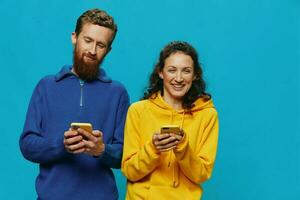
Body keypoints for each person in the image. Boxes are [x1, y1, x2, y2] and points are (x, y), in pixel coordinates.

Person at [19, 8, 129, 200]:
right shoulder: (46, 86)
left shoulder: (118, 93)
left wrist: (102, 150)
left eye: (101, 45)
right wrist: (61, 145)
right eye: (88, 40)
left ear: (108, 50)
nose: (92, 51)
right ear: (74, 37)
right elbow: (27, 145)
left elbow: (125, 155)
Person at [121, 41, 218, 200]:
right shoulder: (137, 111)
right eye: (172, 70)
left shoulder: (207, 115)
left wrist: (183, 148)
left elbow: (201, 175)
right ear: (161, 72)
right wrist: (153, 148)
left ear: (195, 75)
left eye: (186, 71)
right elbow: (130, 171)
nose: (178, 78)